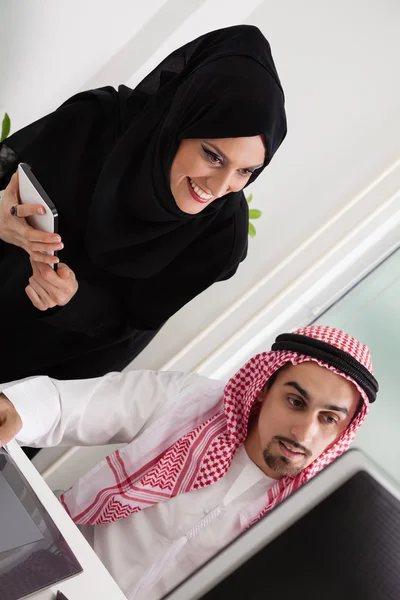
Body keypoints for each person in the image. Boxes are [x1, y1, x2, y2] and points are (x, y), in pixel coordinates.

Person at [0, 325, 379, 599]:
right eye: (295, 402)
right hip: (51, 572)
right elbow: (68, 406)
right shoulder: (189, 402)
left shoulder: (316, 513)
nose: (303, 432)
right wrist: (16, 407)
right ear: (264, 390)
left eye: (328, 419)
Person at [0, 25, 286, 382]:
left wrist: (74, 299)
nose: (220, 186)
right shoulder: (94, 121)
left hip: (40, 365)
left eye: (245, 171)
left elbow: (133, 320)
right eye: (213, 156)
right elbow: (5, 169)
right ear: (181, 120)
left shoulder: (220, 237)